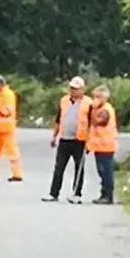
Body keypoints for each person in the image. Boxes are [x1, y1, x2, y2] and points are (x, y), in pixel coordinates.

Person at [42, 75, 93, 204]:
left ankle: (77, 194)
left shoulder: (89, 103)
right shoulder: (64, 101)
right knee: (59, 167)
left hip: (80, 140)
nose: (73, 91)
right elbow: (58, 120)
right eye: (71, 88)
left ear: (82, 89)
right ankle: (53, 193)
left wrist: (90, 142)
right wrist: (54, 136)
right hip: (65, 138)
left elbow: (92, 124)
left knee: (79, 168)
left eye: (76, 88)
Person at [87, 85, 118, 204]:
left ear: (104, 98)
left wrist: (93, 110)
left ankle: (108, 196)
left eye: (97, 97)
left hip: (106, 146)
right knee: (101, 171)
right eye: (94, 97)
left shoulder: (105, 109)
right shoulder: (98, 109)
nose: (94, 99)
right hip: (99, 146)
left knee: (106, 172)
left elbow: (99, 121)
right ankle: (103, 194)